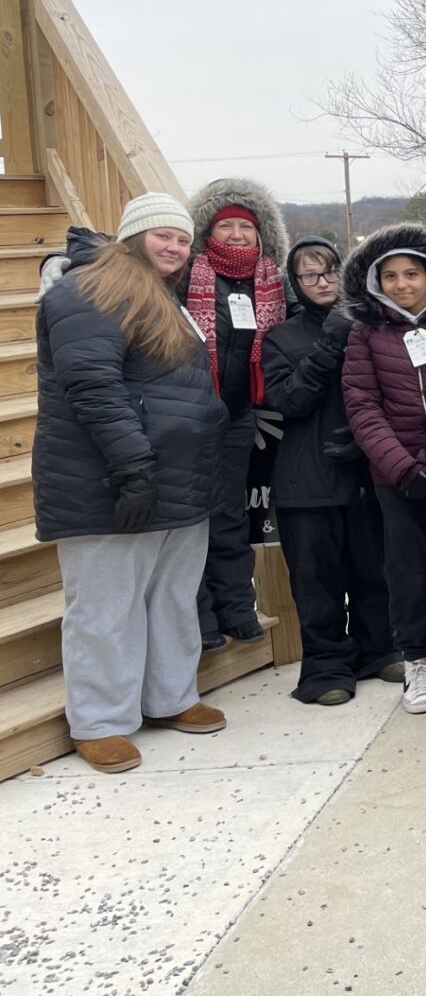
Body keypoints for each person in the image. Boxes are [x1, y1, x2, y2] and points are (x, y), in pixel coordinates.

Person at [35, 193, 230, 773]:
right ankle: (99, 720)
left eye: (182, 239)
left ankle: (170, 697)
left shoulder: (160, 295)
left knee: (170, 597)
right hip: (110, 481)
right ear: (129, 237)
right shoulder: (88, 291)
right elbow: (93, 387)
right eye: (160, 236)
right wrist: (132, 468)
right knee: (105, 606)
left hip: (179, 483)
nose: (173, 247)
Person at [340, 223, 426, 716]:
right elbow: (362, 405)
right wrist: (402, 467)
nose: (403, 284)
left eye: (412, 273)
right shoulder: (366, 332)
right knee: (408, 570)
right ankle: (414, 660)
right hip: (395, 477)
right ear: (378, 282)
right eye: (391, 276)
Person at [263, 236, 397, 705]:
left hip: (363, 472)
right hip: (307, 479)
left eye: (331, 271)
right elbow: (289, 400)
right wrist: (332, 338)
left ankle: (378, 649)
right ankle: (325, 668)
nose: (323, 282)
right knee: (317, 580)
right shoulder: (282, 337)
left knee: (372, 570)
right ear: (295, 283)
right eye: (310, 275)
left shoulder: (371, 326)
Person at [182, 179, 293, 651]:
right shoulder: (186, 276)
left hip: (239, 414)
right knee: (191, 517)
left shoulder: (272, 281)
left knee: (228, 512)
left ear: (260, 233)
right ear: (207, 230)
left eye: (244, 226)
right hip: (189, 415)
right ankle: (200, 616)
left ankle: (235, 606)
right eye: (224, 224)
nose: (234, 234)